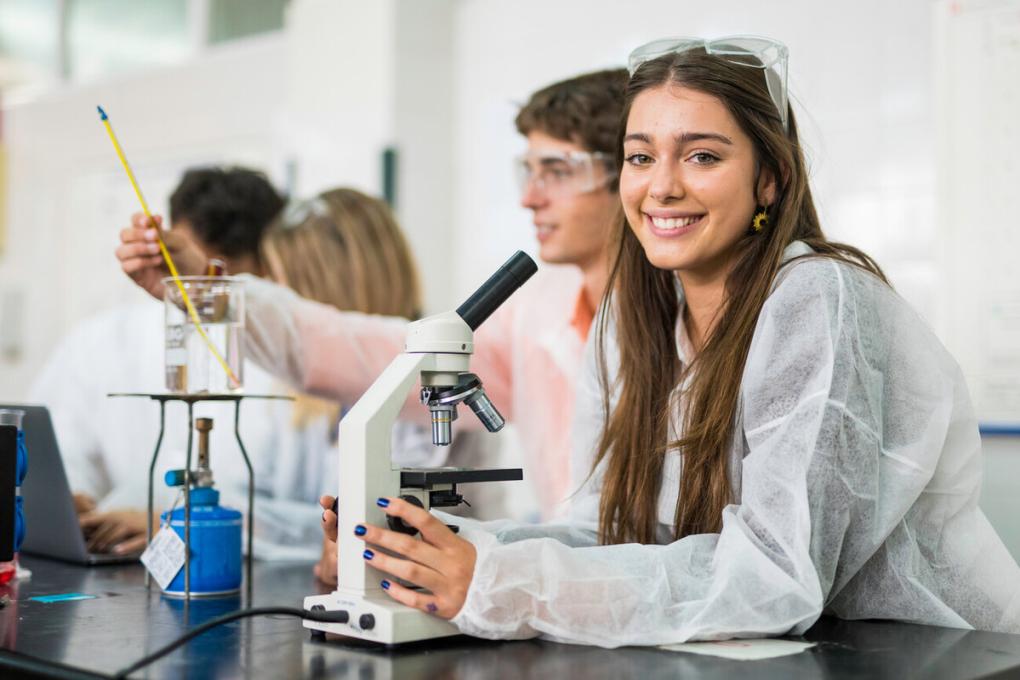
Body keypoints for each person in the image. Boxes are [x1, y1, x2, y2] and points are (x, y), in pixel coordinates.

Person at [318, 37, 1020, 644]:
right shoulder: (630, 321)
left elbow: (777, 575)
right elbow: (601, 530)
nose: (662, 187)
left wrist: (503, 582)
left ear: (769, 179)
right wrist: (427, 555)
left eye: (703, 156)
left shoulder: (816, 299)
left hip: (935, 657)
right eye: (640, 156)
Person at [116, 69, 630, 526]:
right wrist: (204, 289)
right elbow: (357, 350)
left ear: (630, 170)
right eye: (529, 170)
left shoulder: (679, 318)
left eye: (558, 170)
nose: (529, 197)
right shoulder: (536, 312)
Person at [32, 166, 285, 556]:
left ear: (268, 265)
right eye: (191, 270)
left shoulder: (291, 362)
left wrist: (175, 522)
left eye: (221, 277)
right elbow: (57, 455)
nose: (205, 295)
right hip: (119, 573)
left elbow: (315, 518)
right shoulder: (100, 341)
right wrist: (71, 501)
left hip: (249, 578)